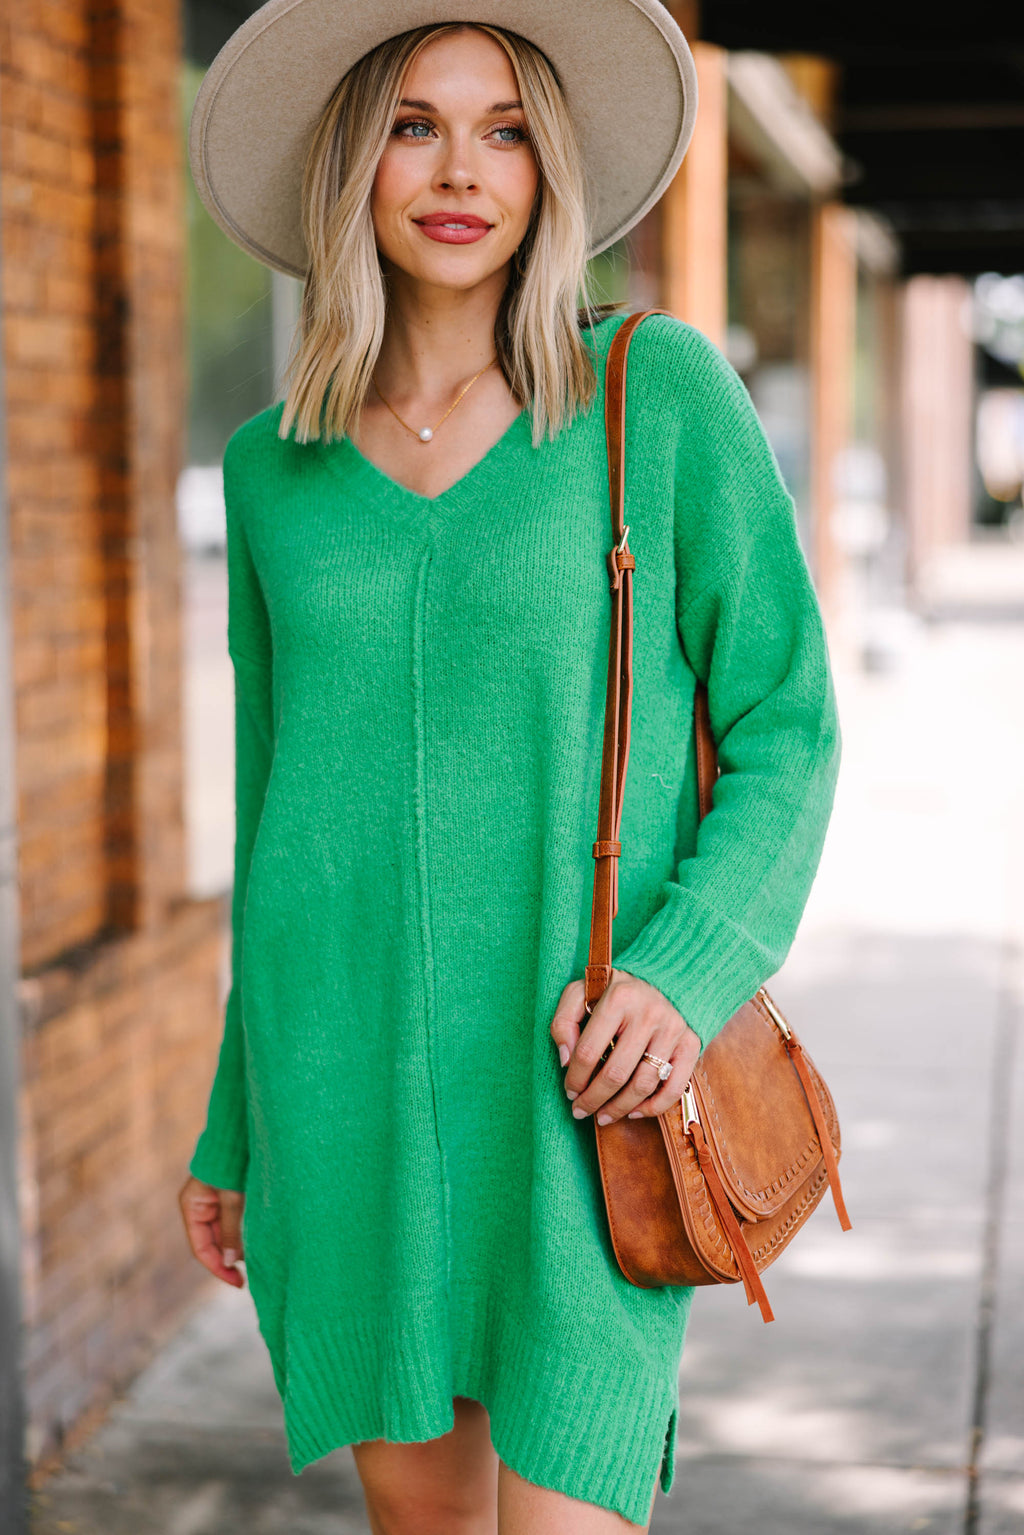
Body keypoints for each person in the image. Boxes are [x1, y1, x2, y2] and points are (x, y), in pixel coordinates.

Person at [178, 4, 842, 1531]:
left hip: (575, 1100)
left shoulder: (649, 396)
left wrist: (681, 976)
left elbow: (788, 728)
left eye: (508, 129)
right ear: (355, 161)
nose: (461, 170)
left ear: (550, 171)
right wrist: (232, 1123)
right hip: (339, 1096)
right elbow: (276, 806)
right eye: (415, 124)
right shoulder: (272, 472)